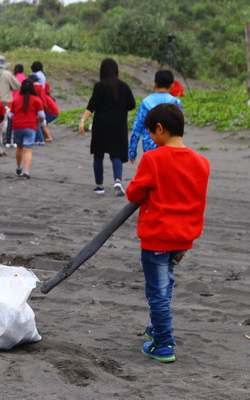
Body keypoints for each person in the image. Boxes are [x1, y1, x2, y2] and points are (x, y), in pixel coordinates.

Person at [126, 103, 210, 363]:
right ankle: (157, 327)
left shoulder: (153, 158)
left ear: (159, 129)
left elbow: (133, 193)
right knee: (166, 282)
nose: (151, 138)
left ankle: (163, 343)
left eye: (151, 133)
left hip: (158, 237)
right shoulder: (202, 162)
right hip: (184, 238)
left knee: (158, 290)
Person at [78, 58, 135, 196]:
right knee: (116, 154)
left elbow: (91, 106)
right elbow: (132, 104)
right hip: (118, 125)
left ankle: (99, 186)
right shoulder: (123, 86)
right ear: (116, 70)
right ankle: (118, 181)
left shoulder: (99, 86)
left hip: (101, 125)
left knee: (98, 155)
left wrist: (82, 121)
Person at [129, 70, 183, 163]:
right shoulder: (176, 103)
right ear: (172, 85)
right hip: (170, 146)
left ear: (155, 84)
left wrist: (132, 151)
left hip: (149, 146)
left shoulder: (146, 102)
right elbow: (179, 127)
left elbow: (137, 128)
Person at [9, 79, 45, 179]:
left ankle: (18, 167)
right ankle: (26, 171)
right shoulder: (36, 99)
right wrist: (39, 120)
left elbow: (10, 115)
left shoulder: (16, 99)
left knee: (19, 147)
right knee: (28, 150)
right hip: (30, 126)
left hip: (17, 126)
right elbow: (42, 115)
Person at [0, 55, 21, 151]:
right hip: (5, 100)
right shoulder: (7, 74)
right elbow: (17, 86)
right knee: (4, 122)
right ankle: (2, 142)